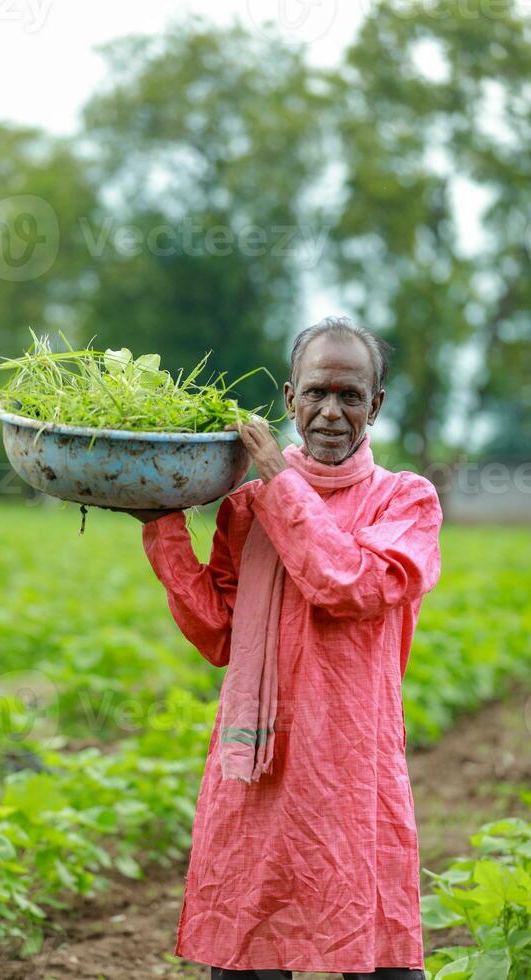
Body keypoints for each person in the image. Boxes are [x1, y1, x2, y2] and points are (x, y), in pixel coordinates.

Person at [101, 316, 442, 979]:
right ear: (290, 398)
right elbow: (220, 634)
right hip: (260, 765)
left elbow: (349, 585)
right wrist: (163, 527)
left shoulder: (406, 502)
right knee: (247, 952)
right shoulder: (245, 506)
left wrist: (279, 486)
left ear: (376, 405)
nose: (331, 412)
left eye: (350, 396)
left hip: (351, 772)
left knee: (375, 955)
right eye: (317, 392)